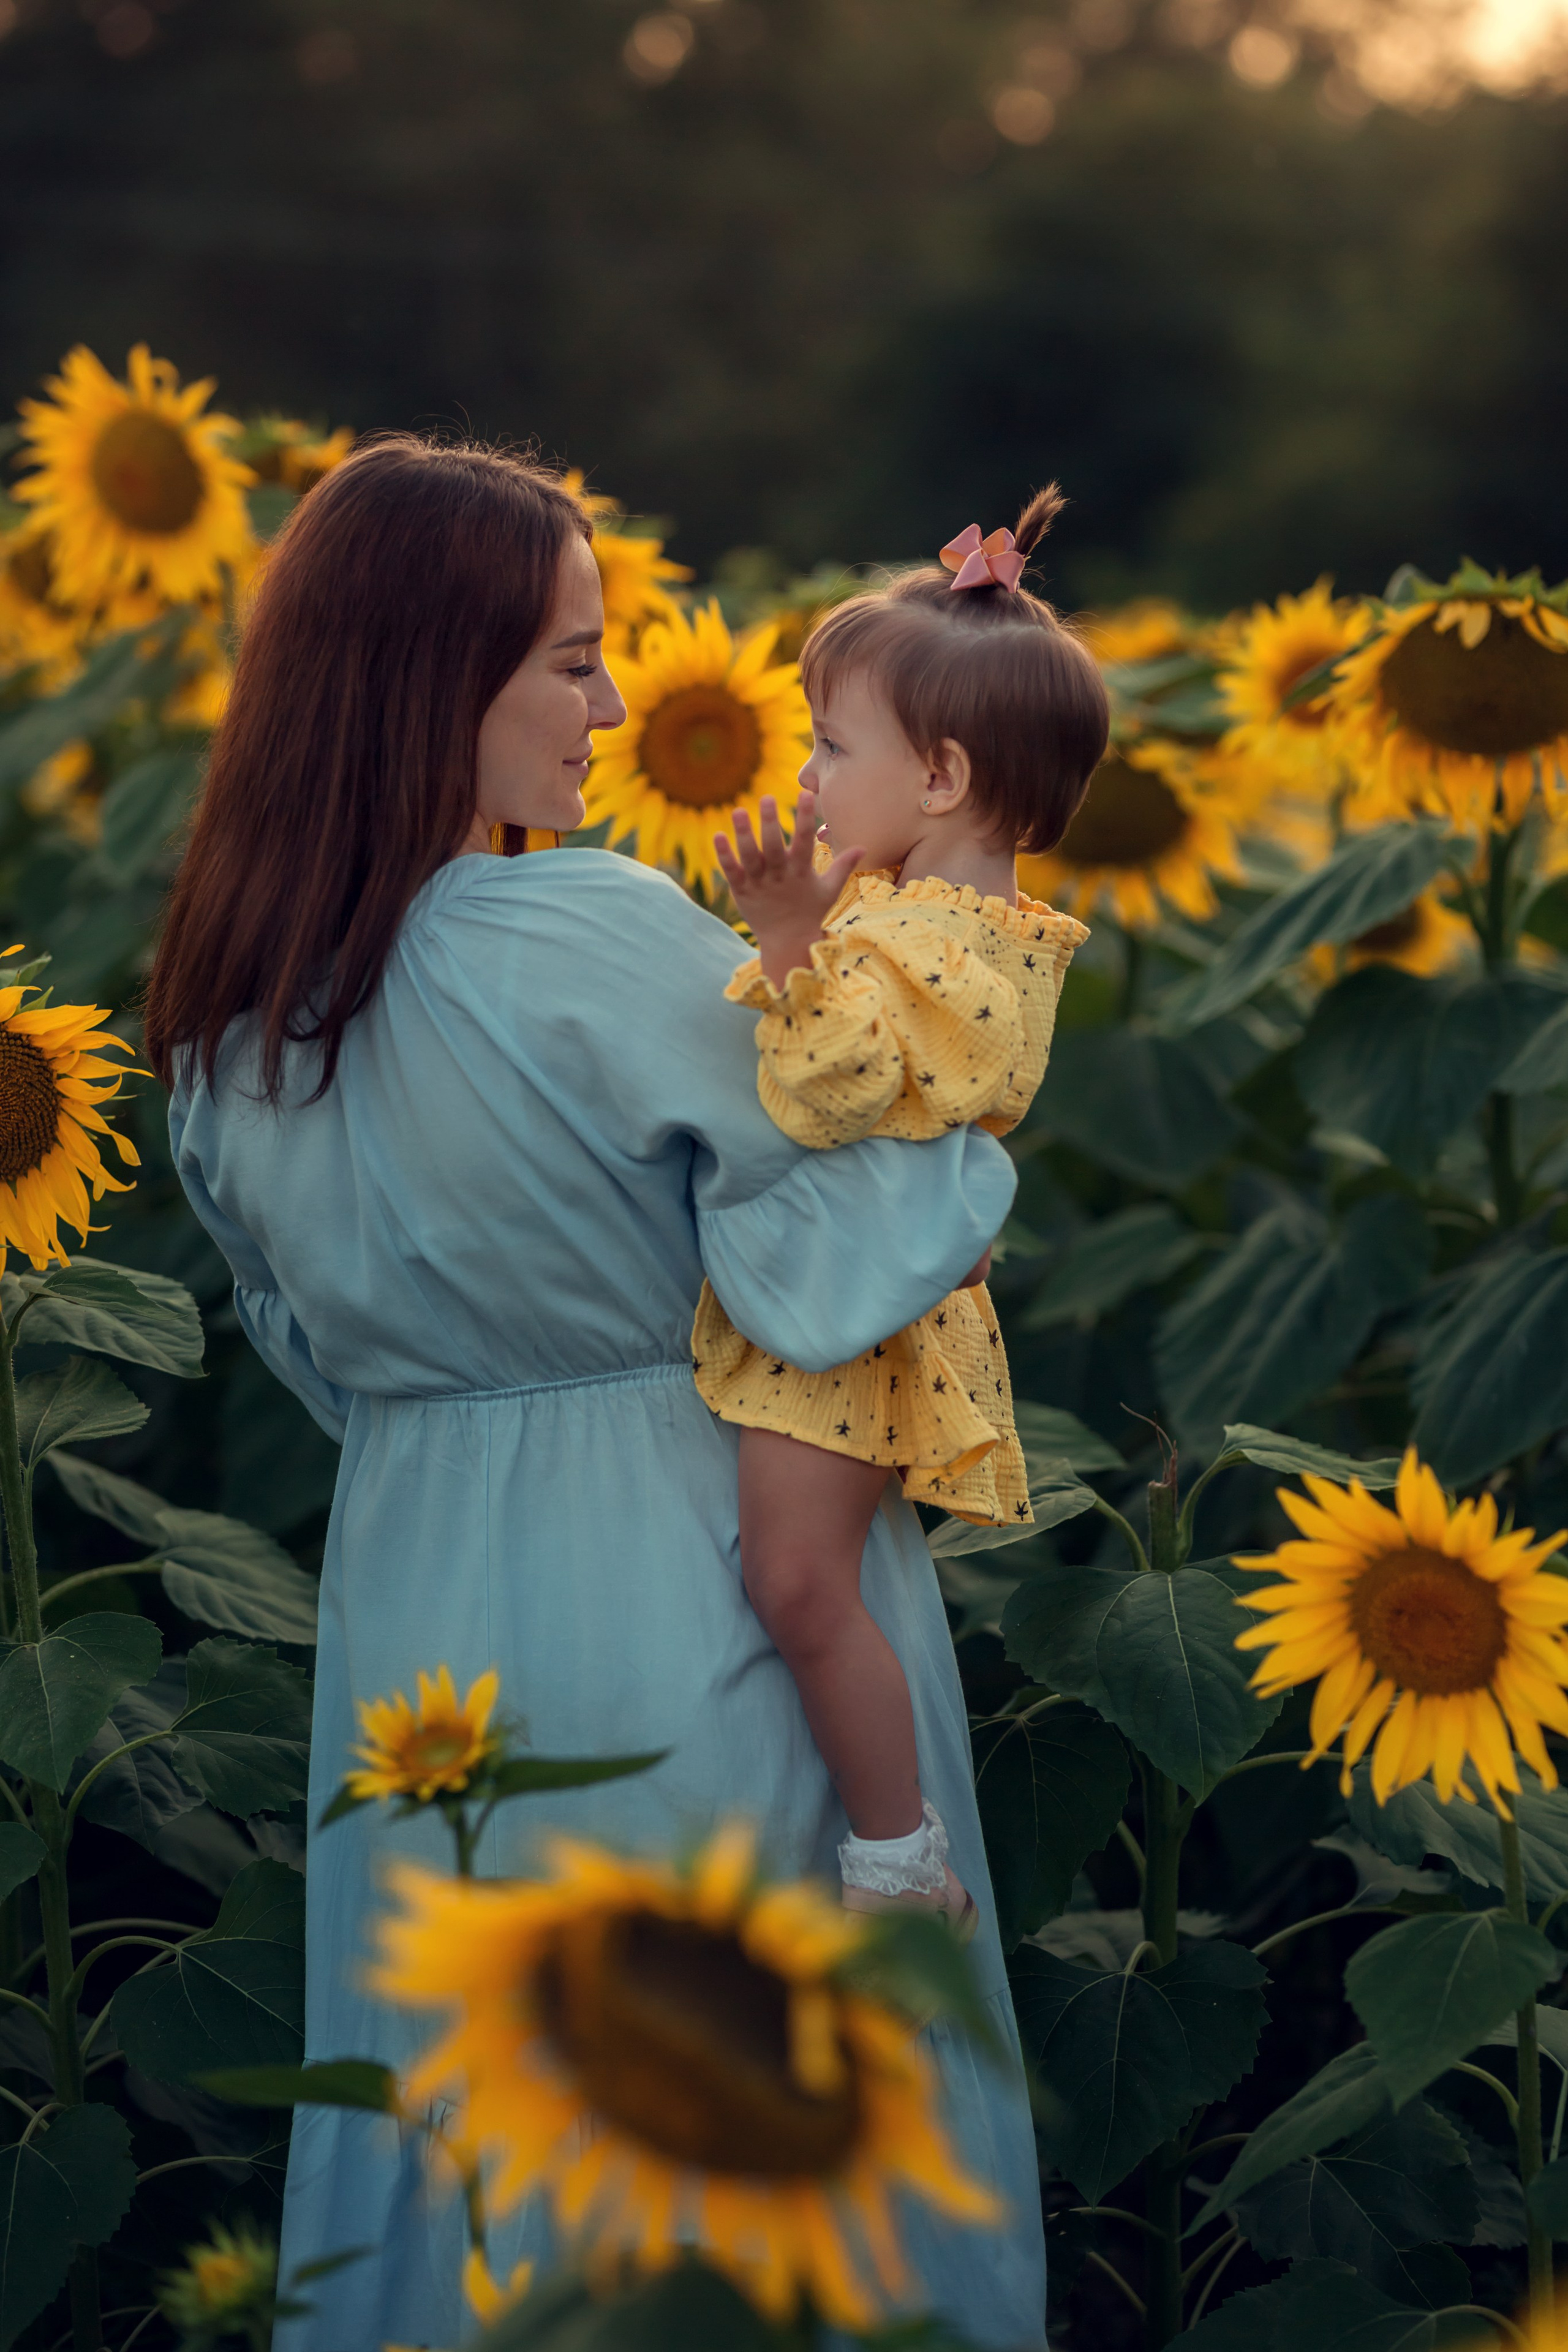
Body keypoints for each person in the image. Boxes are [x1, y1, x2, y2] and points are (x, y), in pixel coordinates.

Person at [142, 437, 1049, 2350]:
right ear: (430, 675)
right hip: (694, 1564)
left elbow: (308, 1353)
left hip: (415, 1605)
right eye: (572, 659)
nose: (617, 706)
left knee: (459, 2116)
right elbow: (865, 1218)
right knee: (764, 2149)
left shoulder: (228, 1016)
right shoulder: (588, 936)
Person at [700, 500, 1109, 1930]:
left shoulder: (931, 949)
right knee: (807, 1582)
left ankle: (895, 1860)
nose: (805, 777)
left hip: (844, 1323)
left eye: (828, 746)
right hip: (858, 1296)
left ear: (938, 777)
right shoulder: (934, 918)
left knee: (797, 1587)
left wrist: (783, 939)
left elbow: (831, 1091)